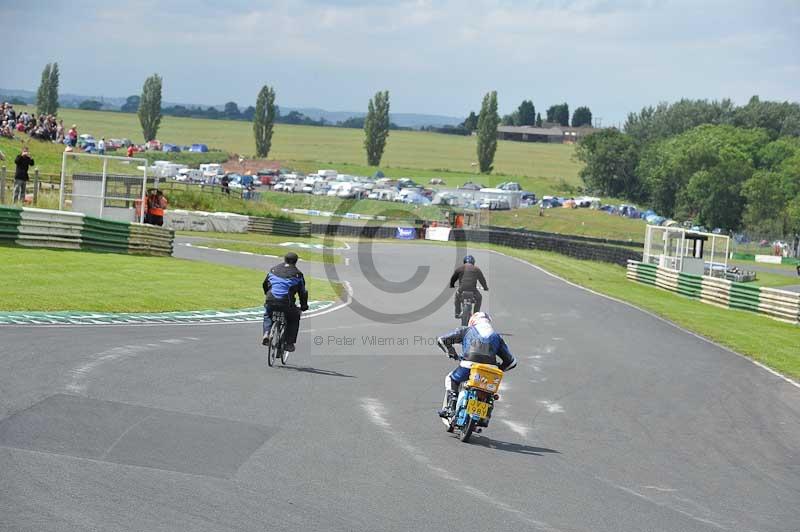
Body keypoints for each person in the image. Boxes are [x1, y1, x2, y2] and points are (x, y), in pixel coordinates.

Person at [435, 312, 517, 418]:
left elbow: (442, 340)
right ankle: (485, 413)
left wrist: (452, 353)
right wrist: (498, 368)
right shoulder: (497, 337)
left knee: (451, 379)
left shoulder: (466, 330)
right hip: (489, 369)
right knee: (490, 391)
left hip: (469, 365)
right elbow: (511, 362)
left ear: (472, 321)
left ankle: (450, 408)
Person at [262, 252, 309, 352]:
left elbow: (265, 284)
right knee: (294, 317)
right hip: (286, 303)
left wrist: (268, 296)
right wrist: (304, 306)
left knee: (268, 314)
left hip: (270, 300)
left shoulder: (273, 270)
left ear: (284, 259)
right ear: (296, 262)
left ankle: (266, 333)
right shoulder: (298, 275)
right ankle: (289, 343)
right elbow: (303, 292)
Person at [449, 255, 488, 319]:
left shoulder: (460, 268)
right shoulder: (476, 269)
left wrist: (452, 285)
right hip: (473, 290)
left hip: (462, 289)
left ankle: (457, 313)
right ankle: (476, 315)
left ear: (464, 261)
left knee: (457, 298)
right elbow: (482, 280)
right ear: (473, 262)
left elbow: (453, 278)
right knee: (479, 298)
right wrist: (485, 287)